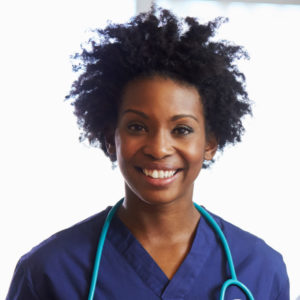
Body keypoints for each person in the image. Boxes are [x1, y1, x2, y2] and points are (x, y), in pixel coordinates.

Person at [6, 6, 289, 300]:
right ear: (109, 139)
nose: (158, 148)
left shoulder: (260, 270)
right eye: (137, 126)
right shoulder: (50, 271)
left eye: (181, 129)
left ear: (210, 143)